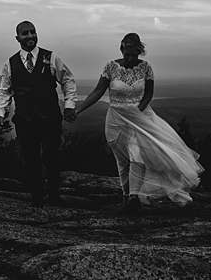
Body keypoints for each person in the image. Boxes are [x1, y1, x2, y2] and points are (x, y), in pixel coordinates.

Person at [74, 32, 202, 209]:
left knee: (138, 154)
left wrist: (138, 111)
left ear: (139, 52)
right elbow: (97, 92)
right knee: (122, 160)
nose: (130, 58)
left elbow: (149, 93)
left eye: (134, 55)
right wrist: (78, 109)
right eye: (127, 54)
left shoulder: (146, 67)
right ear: (121, 49)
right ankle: (126, 196)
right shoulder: (110, 67)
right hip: (115, 118)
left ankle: (134, 196)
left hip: (140, 117)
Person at [0, 20, 77, 207]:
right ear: (18, 38)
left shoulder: (51, 57)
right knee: (30, 159)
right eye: (25, 33)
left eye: (33, 32)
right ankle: (36, 196)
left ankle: (54, 195)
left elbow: (68, 80)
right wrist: (0, 112)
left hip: (50, 118)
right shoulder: (11, 63)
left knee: (51, 156)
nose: (30, 36)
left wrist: (70, 105)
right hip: (24, 119)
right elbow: (4, 90)